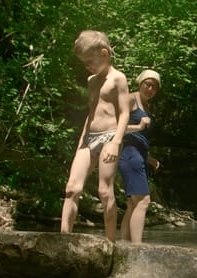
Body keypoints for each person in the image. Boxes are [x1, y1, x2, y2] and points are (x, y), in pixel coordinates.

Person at [60, 30, 130, 242]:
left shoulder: (118, 78)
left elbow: (125, 113)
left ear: (104, 53)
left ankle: (111, 244)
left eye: (90, 61)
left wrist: (116, 142)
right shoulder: (92, 81)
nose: (87, 67)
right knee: (72, 188)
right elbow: (91, 114)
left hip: (110, 137)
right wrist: (82, 142)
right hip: (88, 138)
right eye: (84, 63)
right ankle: (63, 240)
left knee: (104, 191)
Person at [118, 69, 161, 243]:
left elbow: (142, 138)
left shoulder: (147, 107)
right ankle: (137, 248)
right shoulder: (130, 99)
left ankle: (124, 246)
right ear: (140, 83)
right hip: (129, 154)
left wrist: (149, 158)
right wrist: (139, 127)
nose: (150, 89)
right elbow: (114, 127)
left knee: (132, 204)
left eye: (154, 87)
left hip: (139, 156)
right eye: (147, 84)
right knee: (143, 201)